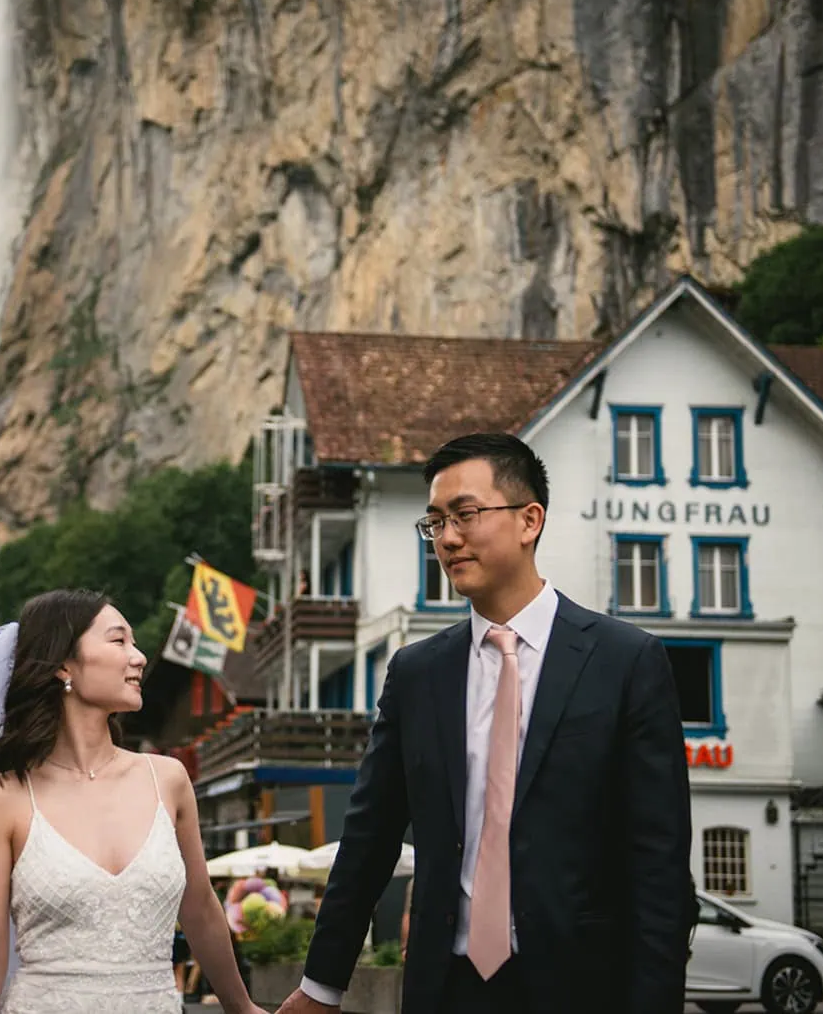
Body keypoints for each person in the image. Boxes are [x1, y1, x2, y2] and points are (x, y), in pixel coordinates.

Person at [277, 433, 695, 1014]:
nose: (447, 538)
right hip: (446, 987)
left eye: (465, 515)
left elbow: (660, 861)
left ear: (529, 520)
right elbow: (369, 837)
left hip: (582, 986)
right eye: (435, 522)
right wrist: (322, 985)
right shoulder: (417, 673)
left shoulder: (626, 662)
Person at [0, 589, 266, 1014]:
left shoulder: (167, 779)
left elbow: (201, 908)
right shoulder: (2, 798)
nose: (139, 657)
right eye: (119, 641)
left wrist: (243, 1008)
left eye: (134, 643)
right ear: (64, 664)